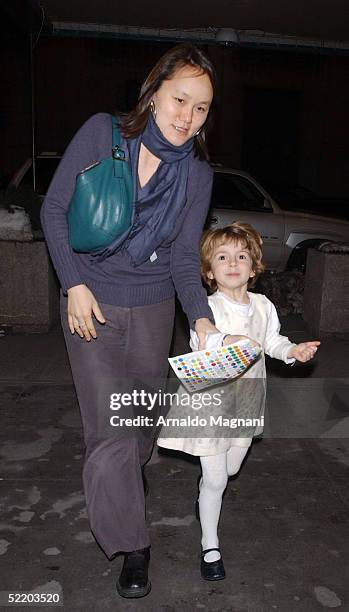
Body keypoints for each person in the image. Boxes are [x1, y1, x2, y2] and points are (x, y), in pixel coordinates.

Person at [40, 43, 220, 599]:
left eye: (201, 108)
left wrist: (204, 320)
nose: (187, 116)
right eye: (179, 99)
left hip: (152, 306)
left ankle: (126, 477)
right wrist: (72, 282)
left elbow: (186, 260)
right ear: (154, 90)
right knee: (109, 431)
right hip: (89, 301)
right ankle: (133, 545)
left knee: (138, 427)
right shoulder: (102, 133)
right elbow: (53, 207)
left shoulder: (196, 176)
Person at [157, 222, 320, 581]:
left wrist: (292, 350)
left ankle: (204, 495)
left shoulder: (263, 305)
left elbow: (271, 340)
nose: (233, 263)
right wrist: (222, 339)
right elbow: (199, 345)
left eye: (241, 256)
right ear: (209, 271)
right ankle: (210, 544)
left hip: (246, 403)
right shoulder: (206, 308)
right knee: (216, 478)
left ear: (254, 266)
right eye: (222, 257)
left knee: (229, 471)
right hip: (211, 404)